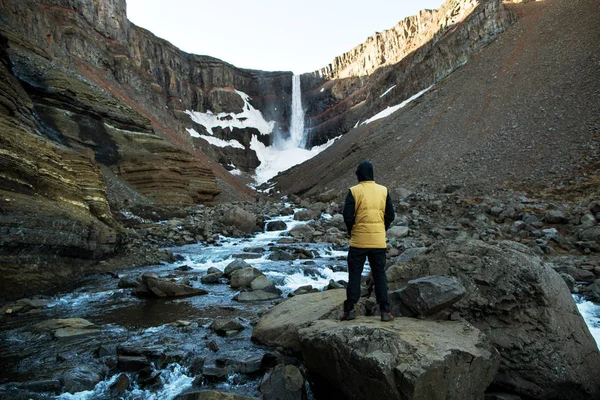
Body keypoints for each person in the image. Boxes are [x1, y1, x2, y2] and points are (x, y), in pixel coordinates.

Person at [341, 161, 395, 322]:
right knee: (379, 275)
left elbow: (347, 216)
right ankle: (385, 312)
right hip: (378, 241)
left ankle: (349, 310)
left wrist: (352, 230)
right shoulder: (383, 191)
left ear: (359, 174)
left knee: (355, 275)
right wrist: (381, 228)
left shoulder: (354, 191)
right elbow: (390, 215)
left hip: (358, 241)